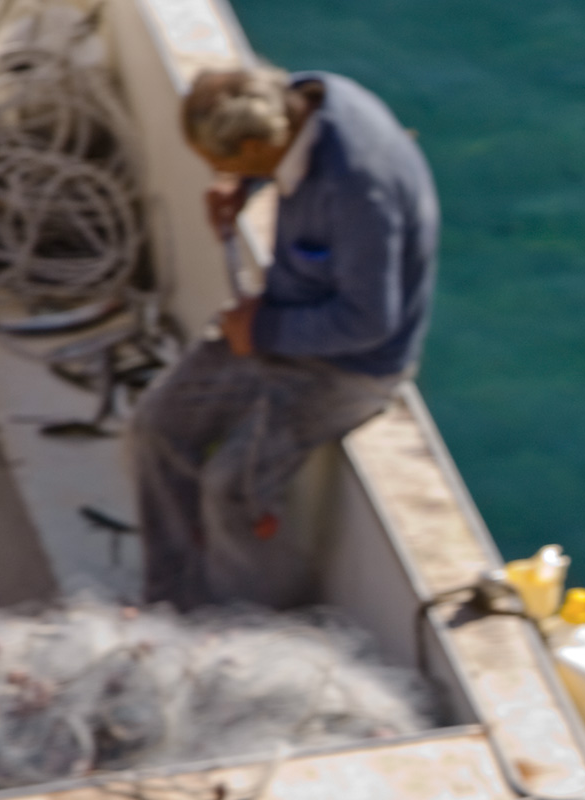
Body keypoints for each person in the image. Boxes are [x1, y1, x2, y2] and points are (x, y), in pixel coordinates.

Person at [131, 65, 439, 611]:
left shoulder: (357, 187)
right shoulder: (301, 101)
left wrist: (263, 329)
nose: (215, 173)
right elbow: (268, 148)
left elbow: (371, 321)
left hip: (354, 363)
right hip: (288, 318)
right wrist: (242, 185)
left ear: (256, 144)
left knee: (233, 486)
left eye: (223, 163)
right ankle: (173, 604)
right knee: (159, 425)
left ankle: (246, 628)